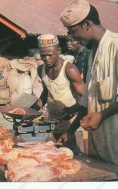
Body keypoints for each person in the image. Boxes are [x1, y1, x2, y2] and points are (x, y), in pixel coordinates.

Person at [59, 0, 118, 165]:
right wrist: (70, 131)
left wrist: (102, 115)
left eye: (72, 31)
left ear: (86, 24)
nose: (71, 37)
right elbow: (87, 100)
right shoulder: (92, 52)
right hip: (98, 148)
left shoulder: (115, 45)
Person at [31, 34, 85, 153]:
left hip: (73, 124)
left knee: (74, 156)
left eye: (50, 55)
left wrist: (72, 110)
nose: (46, 58)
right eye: (43, 55)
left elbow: (86, 98)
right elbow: (46, 92)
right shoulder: (41, 69)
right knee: (57, 156)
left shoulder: (69, 69)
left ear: (59, 50)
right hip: (55, 121)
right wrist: (33, 110)